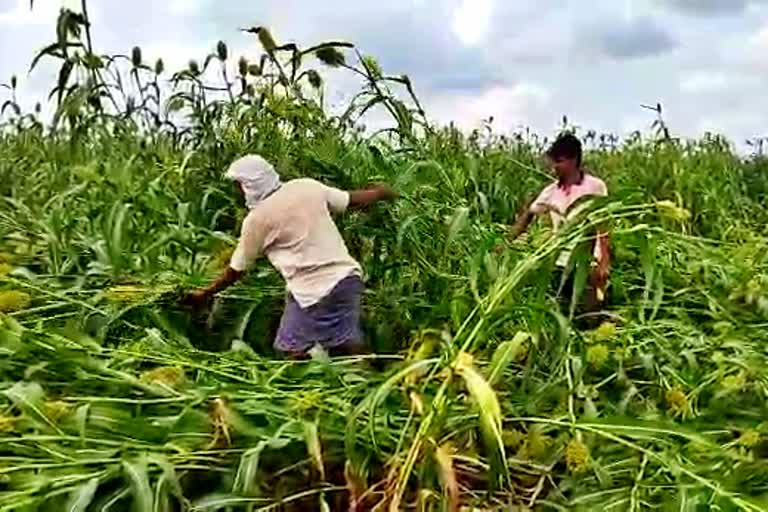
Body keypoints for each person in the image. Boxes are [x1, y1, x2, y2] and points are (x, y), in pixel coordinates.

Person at [184, 154, 398, 358]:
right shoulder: (305, 186)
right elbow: (351, 199)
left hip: (315, 292)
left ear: (249, 185)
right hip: (346, 279)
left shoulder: (257, 220)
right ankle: (374, 378)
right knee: (342, 343)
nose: (236, 193)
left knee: (294, 348)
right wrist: (379, 193)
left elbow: (237, 270)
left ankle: (360, 382)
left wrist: (204, 294)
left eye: (237, 186)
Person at [507, 133, 610, 313]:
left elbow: (603, 225)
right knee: (559, 314)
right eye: (553, 162)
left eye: (559, 161)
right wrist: (506, 241)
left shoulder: (595, 187)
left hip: (587, 266)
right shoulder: (551, 191)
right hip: (559, 266)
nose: (554, 167)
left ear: (573, 160)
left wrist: (604, 263)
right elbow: (529, 214)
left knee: (588, 317)